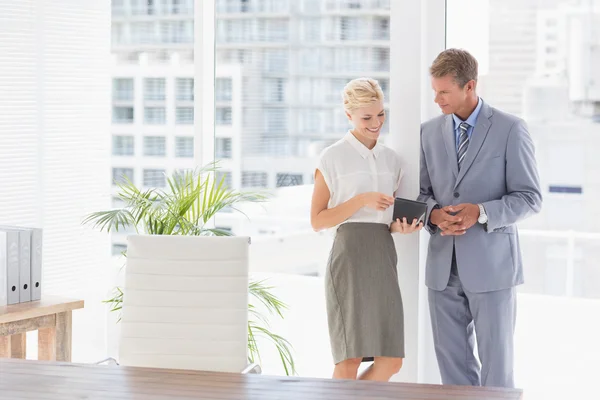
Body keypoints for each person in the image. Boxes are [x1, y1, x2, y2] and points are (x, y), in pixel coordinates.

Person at [418, 49, 542, 388]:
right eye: (434, 90)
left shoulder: (510, 129)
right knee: (452, 371)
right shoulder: (428, 132)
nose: (436, 99)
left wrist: (482, 212)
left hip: (492, 268)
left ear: (469, 86)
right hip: (442, 270)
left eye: (444, 92)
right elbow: (420, 193)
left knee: (497, 372)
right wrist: (434, 215)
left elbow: (530, 198)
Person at [311, 77, 422, 382]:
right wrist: (360, 200)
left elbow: (386, 218)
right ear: (349, 116)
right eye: (367, 117)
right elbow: (318, 220)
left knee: (392, 360)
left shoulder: (392, 160)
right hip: (348, 255)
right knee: (350, 357)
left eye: (380, 114)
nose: (376, 123)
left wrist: (400, 227)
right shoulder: (332, 157)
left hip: (383, 253)